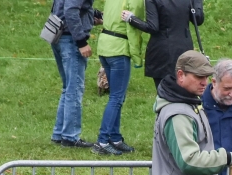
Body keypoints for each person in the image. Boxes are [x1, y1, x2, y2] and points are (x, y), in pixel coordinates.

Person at [91, 0, 145, 155]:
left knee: (117, 96)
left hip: (105, 46)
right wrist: (136, 56)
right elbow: (134, 28)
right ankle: (102, 140)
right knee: (116, 97)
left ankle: (115, 138)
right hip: (119, 49)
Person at [50, 0, 101, 148]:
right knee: (74, 88)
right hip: (70, 39)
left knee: (68, 87)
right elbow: (71, 11)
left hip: (58, 35)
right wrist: (81, 42)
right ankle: (70, 137)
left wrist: (94, 14)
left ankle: (59, 133)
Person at [121, 0, 204, 89]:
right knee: (183, 91)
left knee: (164, 93)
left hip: (161, 51)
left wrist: (131, 19)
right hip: (183, 48)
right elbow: (198, 19)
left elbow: (153, 27)